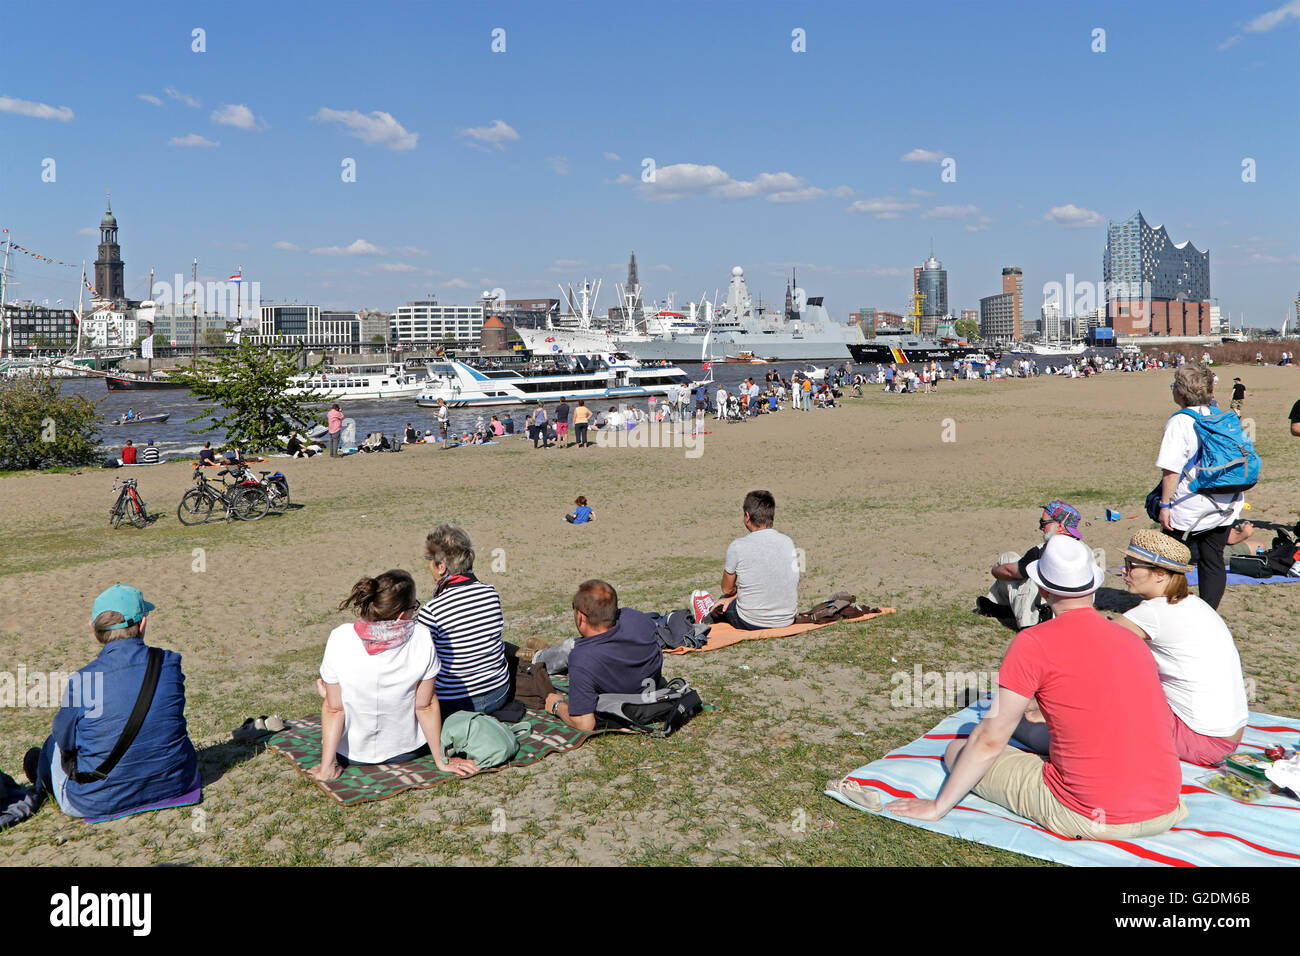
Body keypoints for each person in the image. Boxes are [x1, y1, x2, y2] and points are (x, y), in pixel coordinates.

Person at [889, 535, 1187, 840]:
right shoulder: (1131, 641)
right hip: (1165, 807)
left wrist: (938, 807)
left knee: (958, 750)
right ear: (1093, 587)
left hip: (1090, 815)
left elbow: (990, 739)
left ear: (1042, 590)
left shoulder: (1033, 643)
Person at [26, 585, 200, 820]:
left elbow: (65, 741)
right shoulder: (168, 663)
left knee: (51, 745)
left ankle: (39, 773)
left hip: (95, 801)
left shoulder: (83, 680)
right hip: (177, 783)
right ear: (143, 624)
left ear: (93, 629)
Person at [311, 570, 477, 781]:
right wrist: (441, 760)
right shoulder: (421, 638)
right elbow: (425, 706)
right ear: (401, 615)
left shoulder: (339, 637)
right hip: (407, 750)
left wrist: (327, 767)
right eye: (413, 607)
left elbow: (335, 710)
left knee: (330, 697)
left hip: (352, 754)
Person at [1113, 531, 1248, 766]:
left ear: (1160, 574)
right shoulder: (1196, 604)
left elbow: (1091, 645)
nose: (1124, 571)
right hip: (1229, 736)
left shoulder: (1152, 612)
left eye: (1131, 565)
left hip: (1200, 740)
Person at [1155, 365, 1243, 610]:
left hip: (1191, 504)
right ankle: (1208, 613)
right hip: (1226, 500)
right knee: (1212, 560)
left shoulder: (1180, 422)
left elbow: (1171, 470)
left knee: (1170, 561)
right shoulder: (1219, 414)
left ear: (1182, 394)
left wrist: (1164, 505)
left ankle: (1169, 609)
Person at [415, 524, 511, 717]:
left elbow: (420, 663)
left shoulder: (432, 611)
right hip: (499, 693)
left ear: (442, 567)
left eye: (430, 560)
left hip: (455, 703)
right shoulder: (490, 592)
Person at [543, 580, 664, 732]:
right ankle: (542, 652)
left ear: (580, 617)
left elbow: (585, 724)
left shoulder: (582, 659)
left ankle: (537, 657)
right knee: (573, 645)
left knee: (570, 647)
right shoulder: (639, 619)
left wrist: (557, 706)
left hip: (626, 701)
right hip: (649, 688)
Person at [978, 500, 1082, 630]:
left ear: (1060, 526)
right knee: (1015, 560)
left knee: (1007, 560)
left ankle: (999, 606)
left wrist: (994, 570)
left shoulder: (1042, 551)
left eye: (1043, 523)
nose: (1040, 528)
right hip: (1077, 616)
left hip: (1037, 620)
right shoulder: (1085, 552)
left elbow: (1011, 572)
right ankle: (1001, 606)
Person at [708, 490, 799, 630]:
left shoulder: (738, 546)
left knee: (722, 602)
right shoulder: (789, 542)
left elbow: (727, 588)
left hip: (751, 620)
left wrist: (732, 596)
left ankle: (705, 613)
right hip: (786, 619)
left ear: (747, 516)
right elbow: (790, 581)